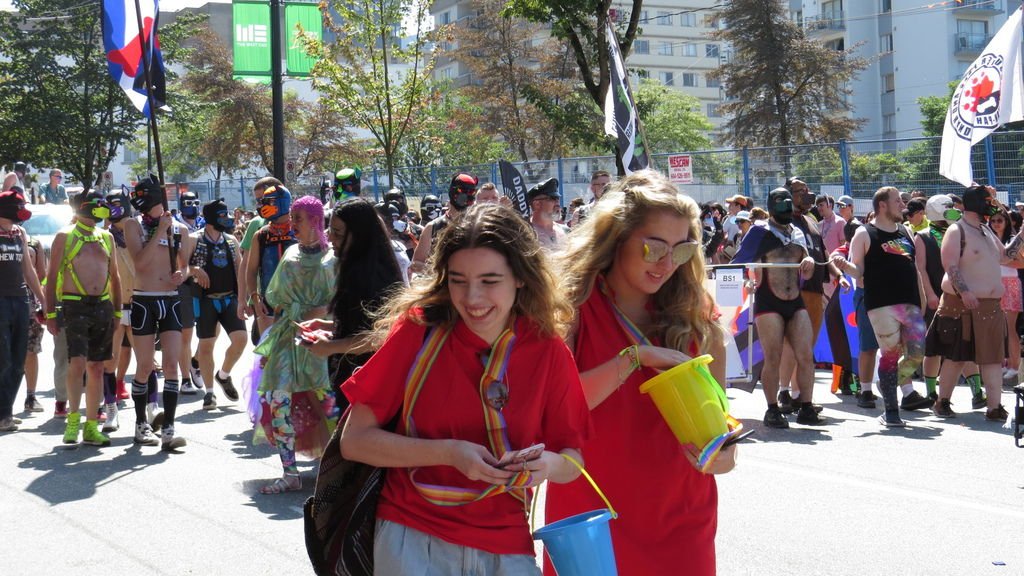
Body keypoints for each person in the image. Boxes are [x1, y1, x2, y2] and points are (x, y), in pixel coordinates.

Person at [341, 202, 589, 574]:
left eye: (489, 281)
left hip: (507, 544)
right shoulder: (418, 331)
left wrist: (548, 465)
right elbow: (354, 441)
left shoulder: (548, 350)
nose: (472, 299)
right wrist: (449, 453)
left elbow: (573, 460)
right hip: (411, 536)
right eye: (458, 280)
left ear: (521, 277)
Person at [546, 170, 732, 576]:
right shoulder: (570, 309)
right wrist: (633, 358)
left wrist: (724, 453)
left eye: (681, 251)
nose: (667, 264)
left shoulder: (695, 313)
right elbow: (555, 413)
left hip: (682, 515)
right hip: (592, 518)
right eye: (653, 248)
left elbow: (719, 422)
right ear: (617, 239)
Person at [252, 196, 339, 494]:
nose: (292, 225)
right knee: (278, 401)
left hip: (320, 341)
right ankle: (290, 472)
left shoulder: (332, 259)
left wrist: (319, 313)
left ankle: (340, 467)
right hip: (288, 338)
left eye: (298, 219)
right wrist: (271, 346)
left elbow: (338, 303)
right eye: (292, 218)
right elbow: (275, 299)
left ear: (316, 220)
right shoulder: (289, 254)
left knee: (329, 405)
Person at [832, 187, 933, 427]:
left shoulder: (906, 230)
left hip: (909, 303)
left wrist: (922, 299)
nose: (902, 204)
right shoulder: (864, 234)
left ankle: (886, 382)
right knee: (890, 353)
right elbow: (859, 273)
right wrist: (844, 266)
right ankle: (891, 411)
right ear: (883, 205)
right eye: (897, 201)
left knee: (917, 353)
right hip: (880, 304)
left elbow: (915, 269)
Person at [732, 187, 826, 428]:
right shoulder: (759, 231)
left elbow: (807, 264)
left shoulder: (797, 232)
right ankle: (772, 409)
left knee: (805, 355)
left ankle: (806, 406)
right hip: (768, 301)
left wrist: (809, 261)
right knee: (772, 356)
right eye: (780, 202)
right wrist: (745, 282)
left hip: (795, 300)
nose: (786, 206)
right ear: (773, 206)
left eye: (788, 202)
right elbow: (737, 263)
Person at [929, 185, 1022, 421]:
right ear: (977, 204)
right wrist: (965, 291)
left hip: (990, 306)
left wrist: (1022, 234)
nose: (993, 204)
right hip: (962, 304)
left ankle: (994, 407)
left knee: (992, 357)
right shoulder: (957, 230)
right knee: (957, 357)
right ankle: (942, 402)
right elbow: (950, 265)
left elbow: (1005, 257)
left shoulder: (986, 230)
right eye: (989, 200)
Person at [299, 197, 405, 403]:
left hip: (371, 386)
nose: (330, 239)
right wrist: (328, 326)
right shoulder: (355, 267)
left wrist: (332, 346)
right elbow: (361, 324)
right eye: (331, 231)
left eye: (338, 233)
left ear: (360, 236)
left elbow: (381, 336)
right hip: (353, 378)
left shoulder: (374, 277)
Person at [45, 191, 121, 445]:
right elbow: (53, 275)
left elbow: (116, 277)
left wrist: (118, 312)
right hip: (74, 305)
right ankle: (72, 422)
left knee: (97, 367)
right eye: (97, 205)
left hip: (102, 307)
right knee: (76, 363)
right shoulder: (65, 237)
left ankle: (91, 426)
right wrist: (51, 313)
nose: (102, 209)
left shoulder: (106, 237)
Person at [124, 175, 191, 450]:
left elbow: (184, 266)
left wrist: (182, 275)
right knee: (144, 365)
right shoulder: (133, 226)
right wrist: (159, 232)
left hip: (170, 300)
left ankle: (169, 428)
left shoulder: (180, 229)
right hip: (143, 300)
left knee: (172, 364)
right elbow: (140, 263)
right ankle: (141, 424)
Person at [186, 199, 245, 411]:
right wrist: (194, 268)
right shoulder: (194, 239)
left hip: (229, 298)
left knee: (241, 340)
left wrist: (244, 299)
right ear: (211, 218)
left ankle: (223, 375)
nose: (226, 220)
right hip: (205, 301)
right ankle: (209, 393)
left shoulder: (231, 241)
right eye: (221, 216)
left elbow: (240, 271)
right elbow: (180, 267)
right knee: (206, 345)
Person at [0, 189, 45, 432]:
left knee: (18, 358)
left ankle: (4, 412)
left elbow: (29, 271)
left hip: (20, 301)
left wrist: (43, 300)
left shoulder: (20, 233)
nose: (22, 214)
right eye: (19, 208)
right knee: (3, 357)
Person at [242, 183, 296, 339]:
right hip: (267, 306)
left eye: (270, 202)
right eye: (264, 202)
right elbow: (251, 271)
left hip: (298, 304)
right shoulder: (261, 235)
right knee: (267, 357)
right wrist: (255, 299)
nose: (264, 206)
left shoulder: (298, 230)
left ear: (282, 202)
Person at [410, 172, 478, 275]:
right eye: (463, 191)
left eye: (471, 193)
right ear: (453, 192)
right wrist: (441, 273)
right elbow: (416, 264)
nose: (466, 198)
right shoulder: (433, 227)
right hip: (441, 288)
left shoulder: (478, 226)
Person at [987, 207, 1023, 384]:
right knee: (997, 328)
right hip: (993, 284)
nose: (995, 224)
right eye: (993, 221)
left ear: (1006, 222)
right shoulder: (988, 240)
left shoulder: (1012, 240)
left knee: (1010, 327)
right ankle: (1002, 362)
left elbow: (1022, 263)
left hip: (1010, 284)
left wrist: (1003, 259)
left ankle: (1014, 367)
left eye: (999, 221)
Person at [175, 190, 206, 395]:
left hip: (205, 283)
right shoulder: (175, 225)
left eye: (194, 202)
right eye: (187, 202)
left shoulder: (204, 223)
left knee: (210, 332)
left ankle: (196, 361)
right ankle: (185, 378)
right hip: (184, 284)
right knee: (186, 333)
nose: (191, 205)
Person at [22, 228, 47, 414]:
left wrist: (44, 301)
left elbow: (41, 276)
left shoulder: (32, 241)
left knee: (31, 351)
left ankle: (31, 396)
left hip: (28, 301)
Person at [527, 178, 568, 252]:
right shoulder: (526, 233)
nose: (557, 202)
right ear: (537, 204)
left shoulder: (566, 230)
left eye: (558, 198)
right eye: (553, 198)